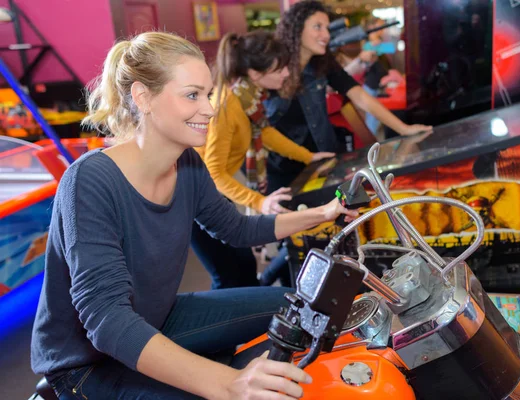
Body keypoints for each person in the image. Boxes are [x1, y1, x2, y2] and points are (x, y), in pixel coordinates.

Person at [30, 31, 356, 399]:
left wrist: (324, 213)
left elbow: (237, 229)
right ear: (143, 97)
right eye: (192, 95)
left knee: (302, 307)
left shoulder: (188, 164)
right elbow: (107, 321)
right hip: (86, 364)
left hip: (160, 317)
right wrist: (227, 384)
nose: (210, 108)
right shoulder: (89, 181)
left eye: (208, 94)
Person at [195, 31, 334, 287]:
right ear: (257, 74)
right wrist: (260, 202)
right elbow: (213, 173)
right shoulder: (227, 106)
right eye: (279, 69)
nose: (285, 74)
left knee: (245, 267)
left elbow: (265, 133)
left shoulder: (248, 98)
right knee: (227, 276)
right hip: (192, 197)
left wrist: (308, 156)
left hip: (207, 192)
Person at [264, 0, 433, 192]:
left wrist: (404, 129)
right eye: (317, 27)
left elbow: (360, 96)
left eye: (327, 28)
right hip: (285, 173)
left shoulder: (322, 63)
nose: (326, 35)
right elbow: (253, 124)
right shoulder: (272, 68)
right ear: (296, 29)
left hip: (324, 164)